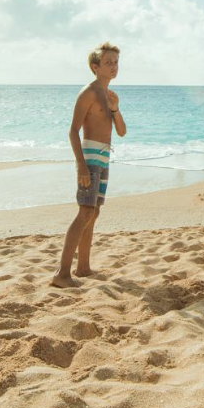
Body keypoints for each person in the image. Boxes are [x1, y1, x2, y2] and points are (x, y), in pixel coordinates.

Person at [52, 42, 127, 288]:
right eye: (108, 63)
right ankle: (62, 274)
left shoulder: (108, 96)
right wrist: (81, 166)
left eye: (116, 62)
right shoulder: (89, 92)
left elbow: (122, 131)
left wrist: (115, 109)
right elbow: (73, 131)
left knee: (93, 213)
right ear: (95, 67)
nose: (113, 67)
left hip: (104, 157)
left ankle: (83, 267)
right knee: (85, 211)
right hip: (90, 158)